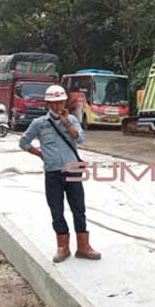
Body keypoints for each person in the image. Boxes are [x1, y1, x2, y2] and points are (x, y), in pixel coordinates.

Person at [19, 85, 100, 263]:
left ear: (65, 102)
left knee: (79, 209)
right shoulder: (39, 123)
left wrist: (66, 123)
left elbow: (80, 138)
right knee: (57, 210)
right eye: (54, 103)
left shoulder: (72, 119)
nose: (57, 106)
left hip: (72, 171)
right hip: (53, 173)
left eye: (60, 102)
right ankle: (63, 247)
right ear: (48, 103)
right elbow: (24, 142)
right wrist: (41, 154)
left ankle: (84, 247)